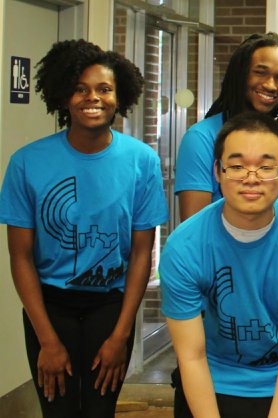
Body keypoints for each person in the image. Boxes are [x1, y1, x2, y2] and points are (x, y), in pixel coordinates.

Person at [0, 39, 167, 417]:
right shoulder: (26, 162)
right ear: (63, 96)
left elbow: (142, 253)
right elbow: (20, 257)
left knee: (99, 410)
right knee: (56, 410)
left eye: (104, 89)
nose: (93, 98)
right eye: (80, 88)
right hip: (49, 307)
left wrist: (121, 336)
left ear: (119, 96)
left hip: (110, 307)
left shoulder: (142, 161)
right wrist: (47, 340)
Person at [160, 112, 278, 418]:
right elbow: (191, 355)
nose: (251, 178)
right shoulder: (184, 246)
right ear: (217, 171)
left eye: (266, 167)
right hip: (215, 373)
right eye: (237, 166)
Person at [175, 32, 278, 220]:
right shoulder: (201, 137)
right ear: (241, 75)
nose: (271, 85)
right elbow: (194, 227)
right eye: (260, 72)